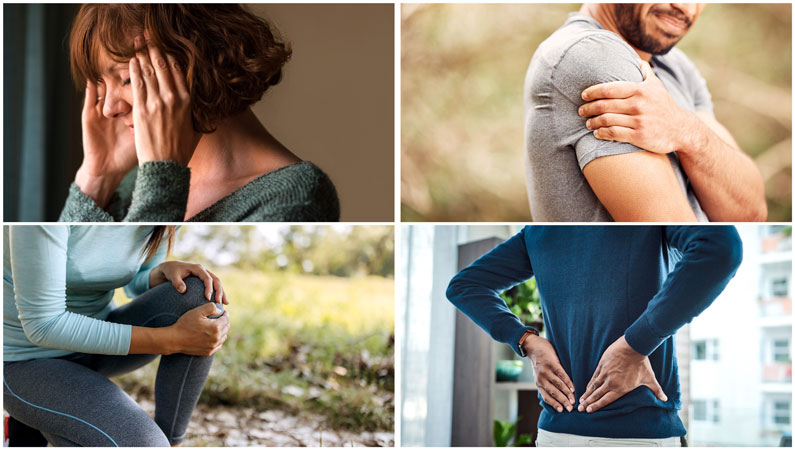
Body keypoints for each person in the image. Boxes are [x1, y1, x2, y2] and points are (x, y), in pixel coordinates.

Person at [446, 226, 743, 446]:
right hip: (634, 436)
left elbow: (464, 287)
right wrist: (634, 344)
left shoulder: (539, 231)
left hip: (556, 435)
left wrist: (526, 341)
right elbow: (719, 247)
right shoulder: (645, 212)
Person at [60, 4, 340, 222]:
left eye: (126, 79)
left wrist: (162, 178)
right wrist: (96, 179)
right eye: (99, 84)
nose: (109, 108)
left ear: (197, 60)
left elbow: (137, 275)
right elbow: (64, 278)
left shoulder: (294, 196)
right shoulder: (131, 183)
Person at [524, 3, 766, 222]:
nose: (686, 8)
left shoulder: (675, 66)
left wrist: (688, 132)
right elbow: (685, 239)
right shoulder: (592, 54)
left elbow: (752, 211)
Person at [3, 225, 231, 446]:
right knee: (142, 444)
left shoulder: (164, 210)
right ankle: (32, 418)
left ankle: (172, 443)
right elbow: (44, 326)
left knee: (198, 295)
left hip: (95, 344)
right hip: (22, 358)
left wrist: (159, 274)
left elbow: (134, 282)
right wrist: (172, 339)